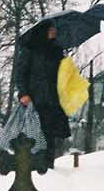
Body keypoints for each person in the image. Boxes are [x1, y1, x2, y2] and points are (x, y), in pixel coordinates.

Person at [12, 20, 71, 160]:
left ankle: (48, 163)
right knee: (35, 131)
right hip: (34, 97)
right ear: (42, 32)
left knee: (50, 132)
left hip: (53, 97)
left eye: (54, 29)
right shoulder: (30, 49)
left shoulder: (56, 50)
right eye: (50, 29)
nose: (54, 32)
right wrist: (23, 93)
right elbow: (20, 73)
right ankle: (34, 161)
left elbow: (61, 74)